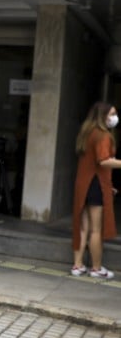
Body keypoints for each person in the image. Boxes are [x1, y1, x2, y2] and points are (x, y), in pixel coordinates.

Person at [71, 101, 121, 279]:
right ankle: (97, 268)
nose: (115, 118)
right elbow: (103, 161)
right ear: (103, 116)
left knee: (83, 228)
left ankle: (77, 265)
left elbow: (92, 163)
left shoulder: (87, 132)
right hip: (95, 186)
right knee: (96, 230)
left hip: (84, 184)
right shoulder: (103, 136)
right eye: (112, 114)